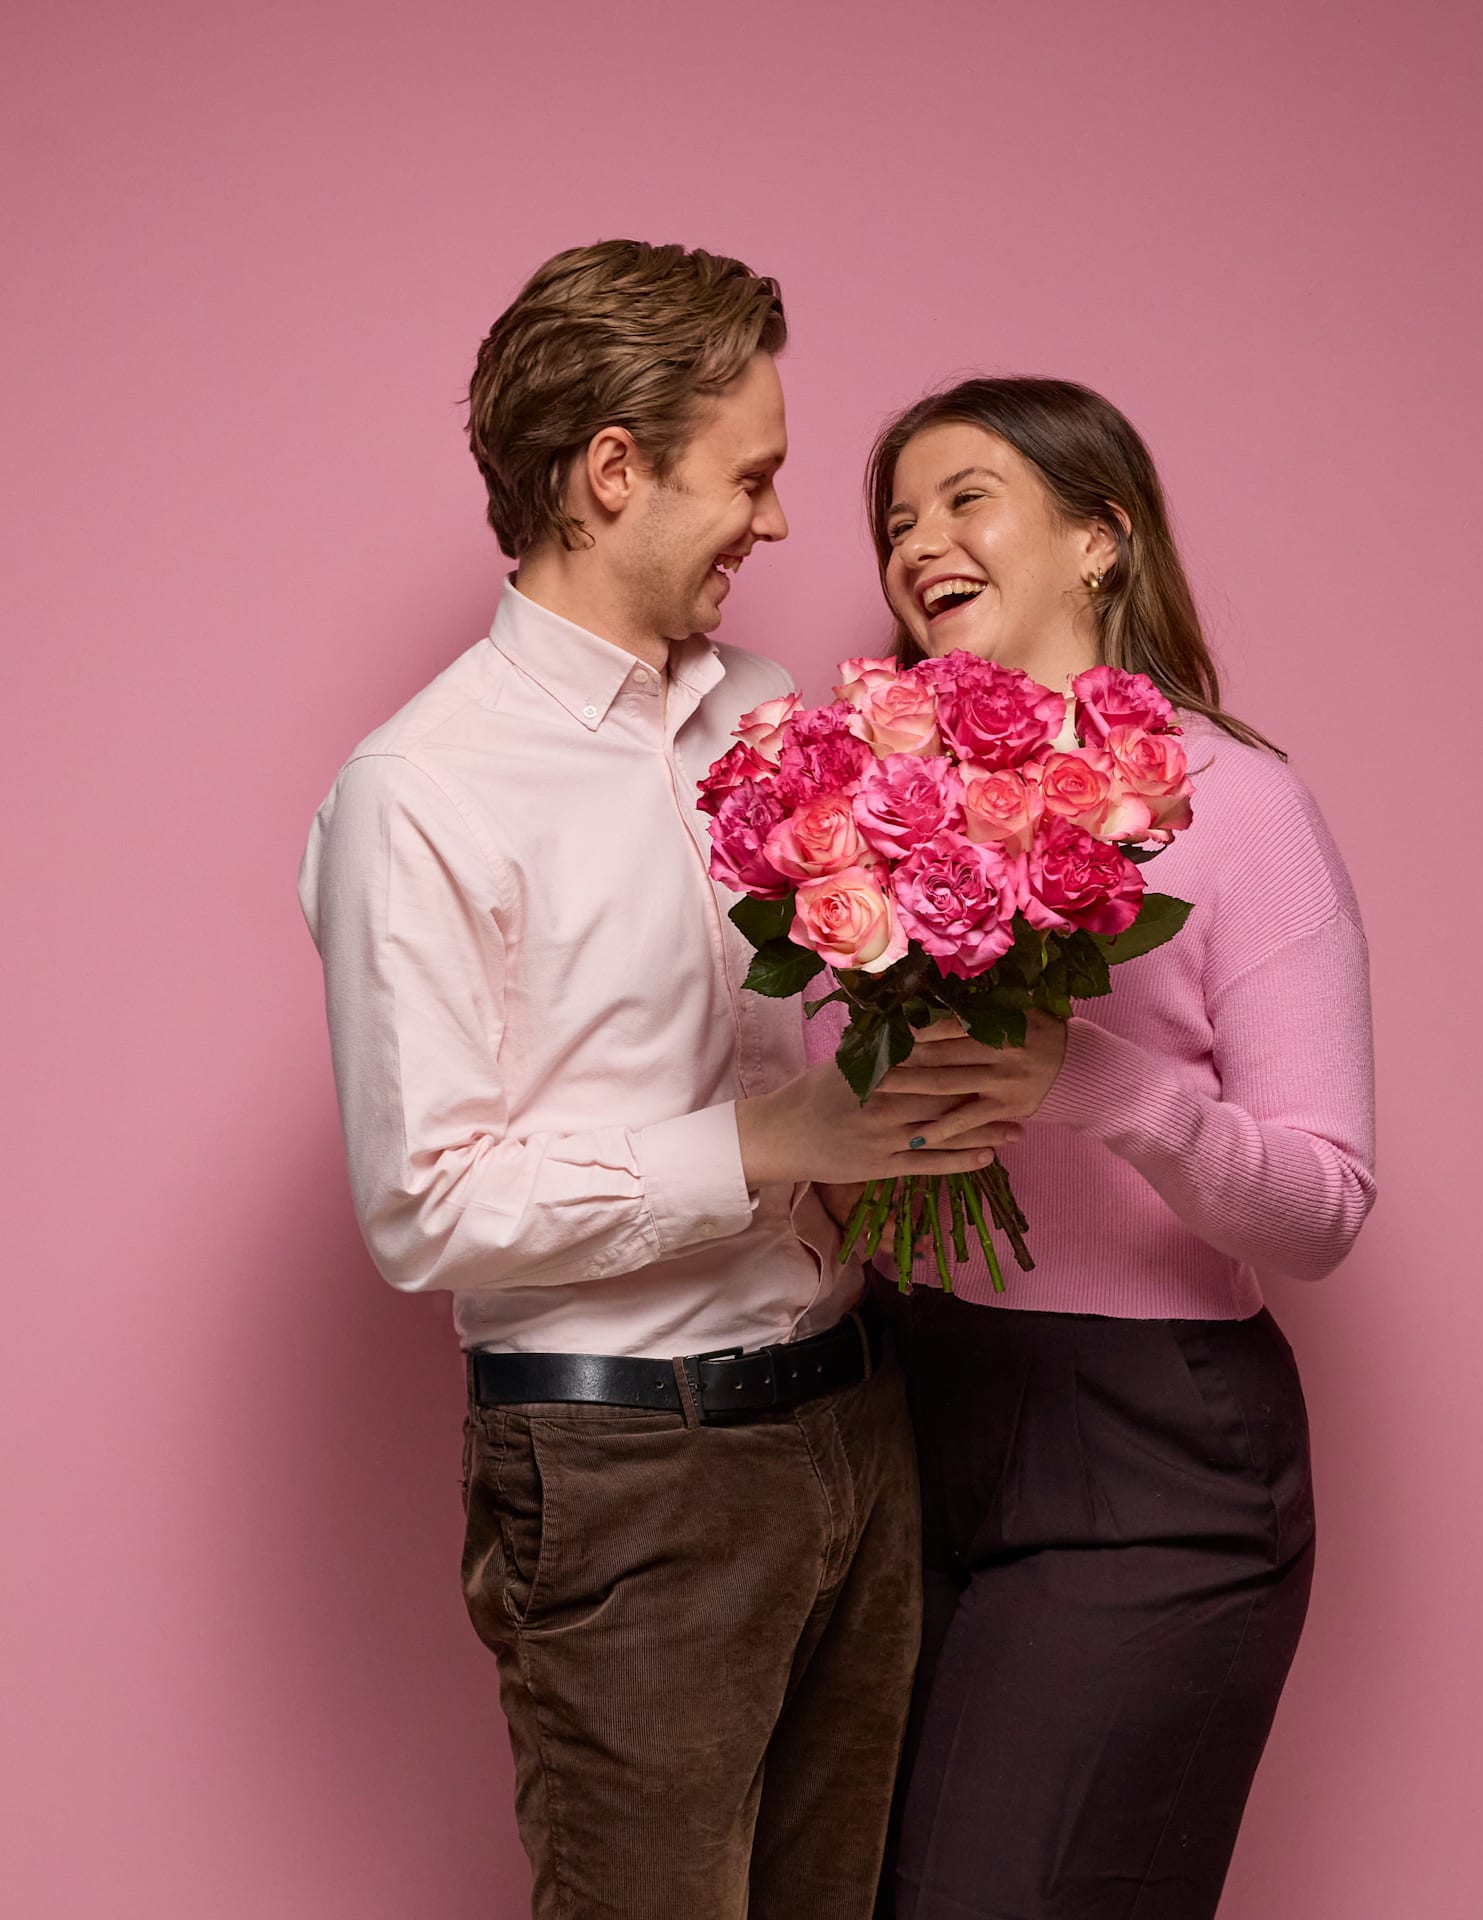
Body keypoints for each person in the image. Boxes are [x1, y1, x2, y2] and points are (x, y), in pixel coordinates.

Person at [296, 242, 1039, 1920]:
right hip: (630, 1476)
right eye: (752, 477)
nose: (779, 525)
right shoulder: (422, 792)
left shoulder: (767, 717)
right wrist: (779, 1137)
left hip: (856, 1416)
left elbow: (825, 1032)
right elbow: (427, 1208)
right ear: (613, 473)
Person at [826, 376, 1378, 1920]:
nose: (920, 541)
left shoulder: (1241, 808)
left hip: (1152, 1454)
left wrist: (1104, 1087)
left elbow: (1325, 1207)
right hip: (905, 1411)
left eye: (966, 498)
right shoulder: (880, 810)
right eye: (897, 520)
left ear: (1100, 538)